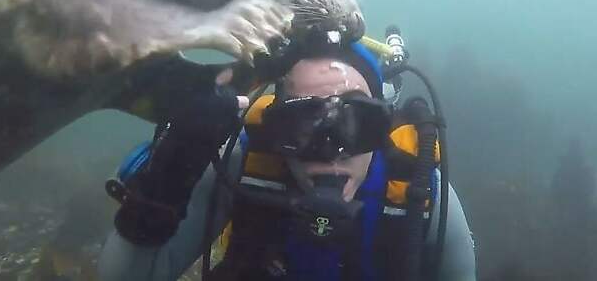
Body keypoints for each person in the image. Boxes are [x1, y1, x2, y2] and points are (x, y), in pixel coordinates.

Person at [98, 42, 476, 281]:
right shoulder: (244, 164)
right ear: (276, 128)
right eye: (304, 122)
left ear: (384, 127)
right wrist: (172, 169)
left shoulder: (420, 195)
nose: (333, 151)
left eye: (357, 123)